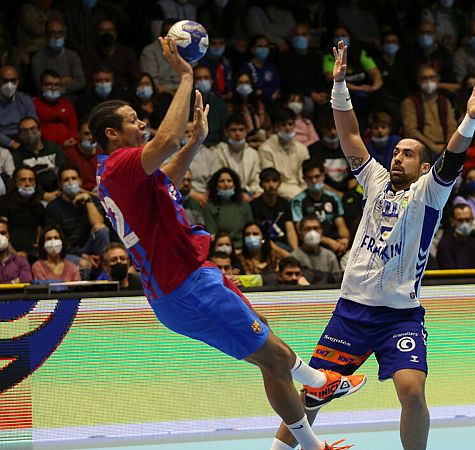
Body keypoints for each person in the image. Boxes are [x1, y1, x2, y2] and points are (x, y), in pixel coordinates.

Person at [92, 36, 359, 450]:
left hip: (191, 280)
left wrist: (196, 141)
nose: (141, 122)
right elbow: (164, 141)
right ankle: (320, 385)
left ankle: (306, 427)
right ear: (112, 133)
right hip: (186, 287)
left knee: (268, 347)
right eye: (132, 119)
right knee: (273, 358)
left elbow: (168, 184)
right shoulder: (120, 163)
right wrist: (184, 76)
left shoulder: (119, 174)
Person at [272, 40, 475, 450]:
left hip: (400, 318)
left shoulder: (431, 192)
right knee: (312, 395)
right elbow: (350, 134)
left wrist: (467, 120)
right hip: (352, 312)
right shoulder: (375, 180)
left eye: (408, 154)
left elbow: (452, 159)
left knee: (412, 392)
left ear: (423, 167)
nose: (397, 158)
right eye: (395, 152)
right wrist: (339, 85)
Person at [45, 164, 110, 262]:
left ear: (80, 181)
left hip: (90, 245)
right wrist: (82, 256)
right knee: (81, 263)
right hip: (68, 252)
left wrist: (88, 201)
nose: (71, 182)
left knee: (101, 229)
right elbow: (58, 241)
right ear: (60, 184)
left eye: (74, 178)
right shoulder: (53, 207)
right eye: (66, 180)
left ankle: (104, 272)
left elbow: (99, 225)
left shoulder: (92, 200)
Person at [291, 159, 350, 258]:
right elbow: (301, 232)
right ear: (304, 179)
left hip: (335, 242)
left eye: (317, 176)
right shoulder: (298, 201)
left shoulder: (333, 198)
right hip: (311, 244)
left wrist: (345, 240)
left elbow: (341, 224)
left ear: (324, 176)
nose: (314, 181)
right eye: (310, 178)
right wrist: (329, 242)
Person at [400, 65, 458, 156]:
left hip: (444, 147)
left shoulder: (444, 101)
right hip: (420, 148)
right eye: (424, 78)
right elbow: (411, 131)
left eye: (432, 78)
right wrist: (434, 147)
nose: (429, 81)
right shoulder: (410, 102)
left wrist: (447, 147)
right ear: (419, 81)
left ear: (438, 79)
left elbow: (452, 127)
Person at [259, 107, 310, 199]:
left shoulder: (302, 148)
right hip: (278, 190)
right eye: (283, 125)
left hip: (301, 190)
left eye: (290, 124)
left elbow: (306, 177)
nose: (287, 128)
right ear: (275, 127)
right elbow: (270, 179)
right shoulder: (266, 149)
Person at [30, 18, 86, 96]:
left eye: (60, 32)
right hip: (45, 100)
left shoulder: (73, 56)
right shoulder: (37, 59)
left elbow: (81, 82)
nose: (57, 36)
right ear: (46, 35)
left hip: (69, 100)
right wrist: (64, 80)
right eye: (52, 33)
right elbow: (40, 86)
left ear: (64, 35)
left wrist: (59, 88)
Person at [0, 167, 45, 259]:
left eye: (31, 180)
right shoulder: (4, 202)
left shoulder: (39, 206)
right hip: (7, 252)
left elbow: (39, 229)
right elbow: (2, 231)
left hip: (32, 253)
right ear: (16, 182)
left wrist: (37, 248)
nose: (27, 183)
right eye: (23, 180)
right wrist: (13, 253)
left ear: (35, 183)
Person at [214, 114, 262, 200]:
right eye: (233, 130)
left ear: (246, 131)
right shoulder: (218, 152)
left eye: (241, 130)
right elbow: (218, 180)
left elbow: (255, 180)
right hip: (225, 194)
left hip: (249, 193)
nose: (237, 134)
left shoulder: (253, 154)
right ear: (226, 132)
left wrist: (255, 193)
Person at [15, 116, 67, 196]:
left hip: (58, 192)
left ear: (40, 130)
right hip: (32, 196)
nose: (30, 133)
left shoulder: (55, 148)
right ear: (20, 135)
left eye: (33, 129)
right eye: (25, 131)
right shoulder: (17, 154)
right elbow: (20, 180)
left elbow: (63, 172)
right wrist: (43, 195)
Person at [203, 167, 254, 249]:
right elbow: (212, 235)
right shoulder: (210, 207)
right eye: (221, 181)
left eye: (229, 181)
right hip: (222, 248)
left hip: (243, 249)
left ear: (235, 184)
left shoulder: (244, 206)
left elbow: (250, 230)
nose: (226, 184)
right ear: (215, 185)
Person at [252, 167, 298, 254]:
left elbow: (290, 230)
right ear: (261, 184)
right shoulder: (254, 205)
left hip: (284, 245)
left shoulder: (285, 203)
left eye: (274, 181)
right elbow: (259, 235)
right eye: (267, 181)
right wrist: (284, 253)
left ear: (279, 183)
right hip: (264, 246)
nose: (271, 185)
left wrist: (296, 253)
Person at [289, 215, 342, 285]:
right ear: (300, 234)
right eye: (307, 229)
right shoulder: (294, 256)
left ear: (321, 232)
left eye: (316, 228)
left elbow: (338, 279)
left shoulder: (329, 256)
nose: (312, 232)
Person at [436, 203, 475, 269]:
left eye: (467, 220)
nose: (465, 224)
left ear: (472, 220)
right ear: (452, 221)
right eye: (460, 220)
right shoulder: (444, 245)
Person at [34, 70, 79, 150]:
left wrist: (70, 140)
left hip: (68, 147)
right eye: (48, 84)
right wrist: (59, 145)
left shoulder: (67, 105)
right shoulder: (34, 104)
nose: (53, 88)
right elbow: (35, 131)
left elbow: (73, 128)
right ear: (41, 86)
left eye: (57, 84)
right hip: (44, 148)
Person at [0, 64, 38, 154]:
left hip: (23, 138)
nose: (9, 84)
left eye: (13, 80)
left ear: (18, 82)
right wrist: (11, 143)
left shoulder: (25, 100)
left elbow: (33, 122)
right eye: (5, 80)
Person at [0, 219, 33, 284]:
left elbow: (26, 283)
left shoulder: (20, 261)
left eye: (3, 233)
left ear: (8, 235)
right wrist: (13, 282)